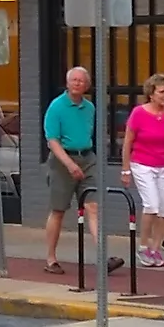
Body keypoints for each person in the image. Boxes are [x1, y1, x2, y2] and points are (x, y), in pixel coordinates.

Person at [41, 66, 108, 275]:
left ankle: (102, 257)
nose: (78, 84)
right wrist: (70, 164)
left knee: (93, 206)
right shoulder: (56, 107)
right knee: (58, 209)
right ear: (67, 83)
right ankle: (51, 258)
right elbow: (52, 140)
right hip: (63, 160)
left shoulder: (90, 108)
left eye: (82, 81)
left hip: (87, 157)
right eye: (74, 80)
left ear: (87, 85)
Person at [124, 74, 164, 268]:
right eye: (161, 92)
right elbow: (128, 142)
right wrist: (125, 169)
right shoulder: (138, 113)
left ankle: (155, 249)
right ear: (151, 94)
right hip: (143, 164)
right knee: (152, 205)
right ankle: (143, 246)